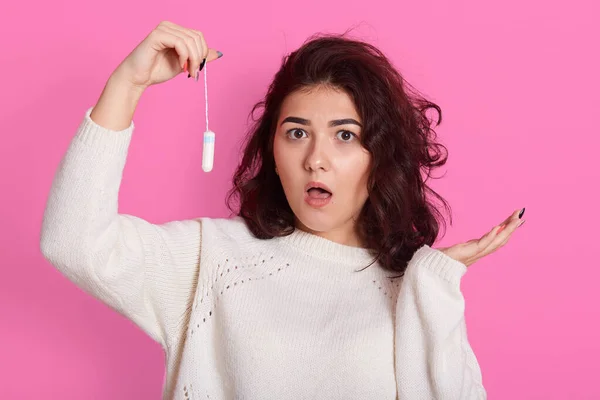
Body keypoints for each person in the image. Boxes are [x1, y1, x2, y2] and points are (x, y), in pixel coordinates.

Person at [40, 20, 525, 399]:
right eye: (296, 133)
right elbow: (74, 242)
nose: (316, 158)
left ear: (380, 156)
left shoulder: (412, 288)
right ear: (272, 149)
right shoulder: (213, 258)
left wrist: (433, 284)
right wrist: (128, 84)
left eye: (345, 135)